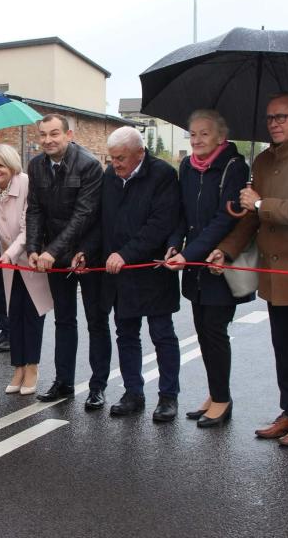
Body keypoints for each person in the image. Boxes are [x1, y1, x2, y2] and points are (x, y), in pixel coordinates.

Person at [207, 93, 288, 447]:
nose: (275, 123)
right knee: (285, 349)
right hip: (275, 275)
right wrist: (226, 249)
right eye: (269, 118)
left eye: (282, 116)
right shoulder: (264, 161)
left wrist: (262, 202)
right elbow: (251, 218)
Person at [165, 110, 254, 428]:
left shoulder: (234, 166)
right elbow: (181, 212)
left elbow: (224, 219)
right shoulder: (188, 166)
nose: (197, 140)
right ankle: (215, 394)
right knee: (203, 332)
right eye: (192, 134)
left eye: (205, 134)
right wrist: (176, 244)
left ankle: (222, 399)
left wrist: (190, 254)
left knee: (215, 333)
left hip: (218, 265)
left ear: (220, 137)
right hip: (194, 265)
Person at [94, 127, 182, 420]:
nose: (115, 164)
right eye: (112, 158)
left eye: (121, 158)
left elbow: (160, 223)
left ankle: (168, 396)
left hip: (152, 270)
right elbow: (103, 220)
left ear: (140, 153)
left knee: (162, 334)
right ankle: (133, 392)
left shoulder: (163, 175)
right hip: (119, 274)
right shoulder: (110, 176)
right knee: (126, 334)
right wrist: (88, 251)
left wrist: (126, 254)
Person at [26, 114, 111, 409]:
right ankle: (64, 381)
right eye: (43, 135)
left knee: (96, 320)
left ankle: (98, 386)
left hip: (88, 251)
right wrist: (34, 248)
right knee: (64, 320)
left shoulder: (88, 165)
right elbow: (34, 210)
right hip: (54, 254)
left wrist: (54, 251)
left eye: (54, 134)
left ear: (69, 134)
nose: (48, 140)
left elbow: (84, 215)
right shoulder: (36, 165)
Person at [0, 144, 53, 395]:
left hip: (30, 254)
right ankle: (18, 367)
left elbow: (29, 227)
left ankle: (32, 367)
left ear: (11, 164)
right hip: (6, 260)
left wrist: (9, 254)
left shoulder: (26, 183)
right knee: (14, 315)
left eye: (0, 164)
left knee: (32, 314)